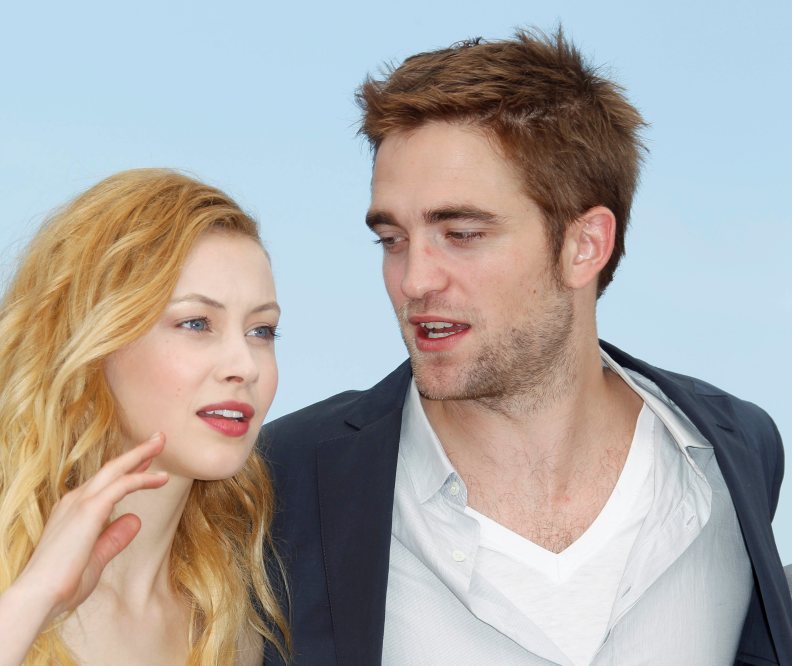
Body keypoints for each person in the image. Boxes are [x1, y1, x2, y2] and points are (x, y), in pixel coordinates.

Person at [261, 29, 792, 665]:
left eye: (461, 233)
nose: (414, 280)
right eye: (392, 239)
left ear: (584, 246)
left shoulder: (736, 452)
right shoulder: (281, 481)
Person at [0, 169, 290, 665]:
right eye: (196, 323)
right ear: (90, 340)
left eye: (262, 330)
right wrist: (33, 599)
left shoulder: (226, 632)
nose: (244, 365)